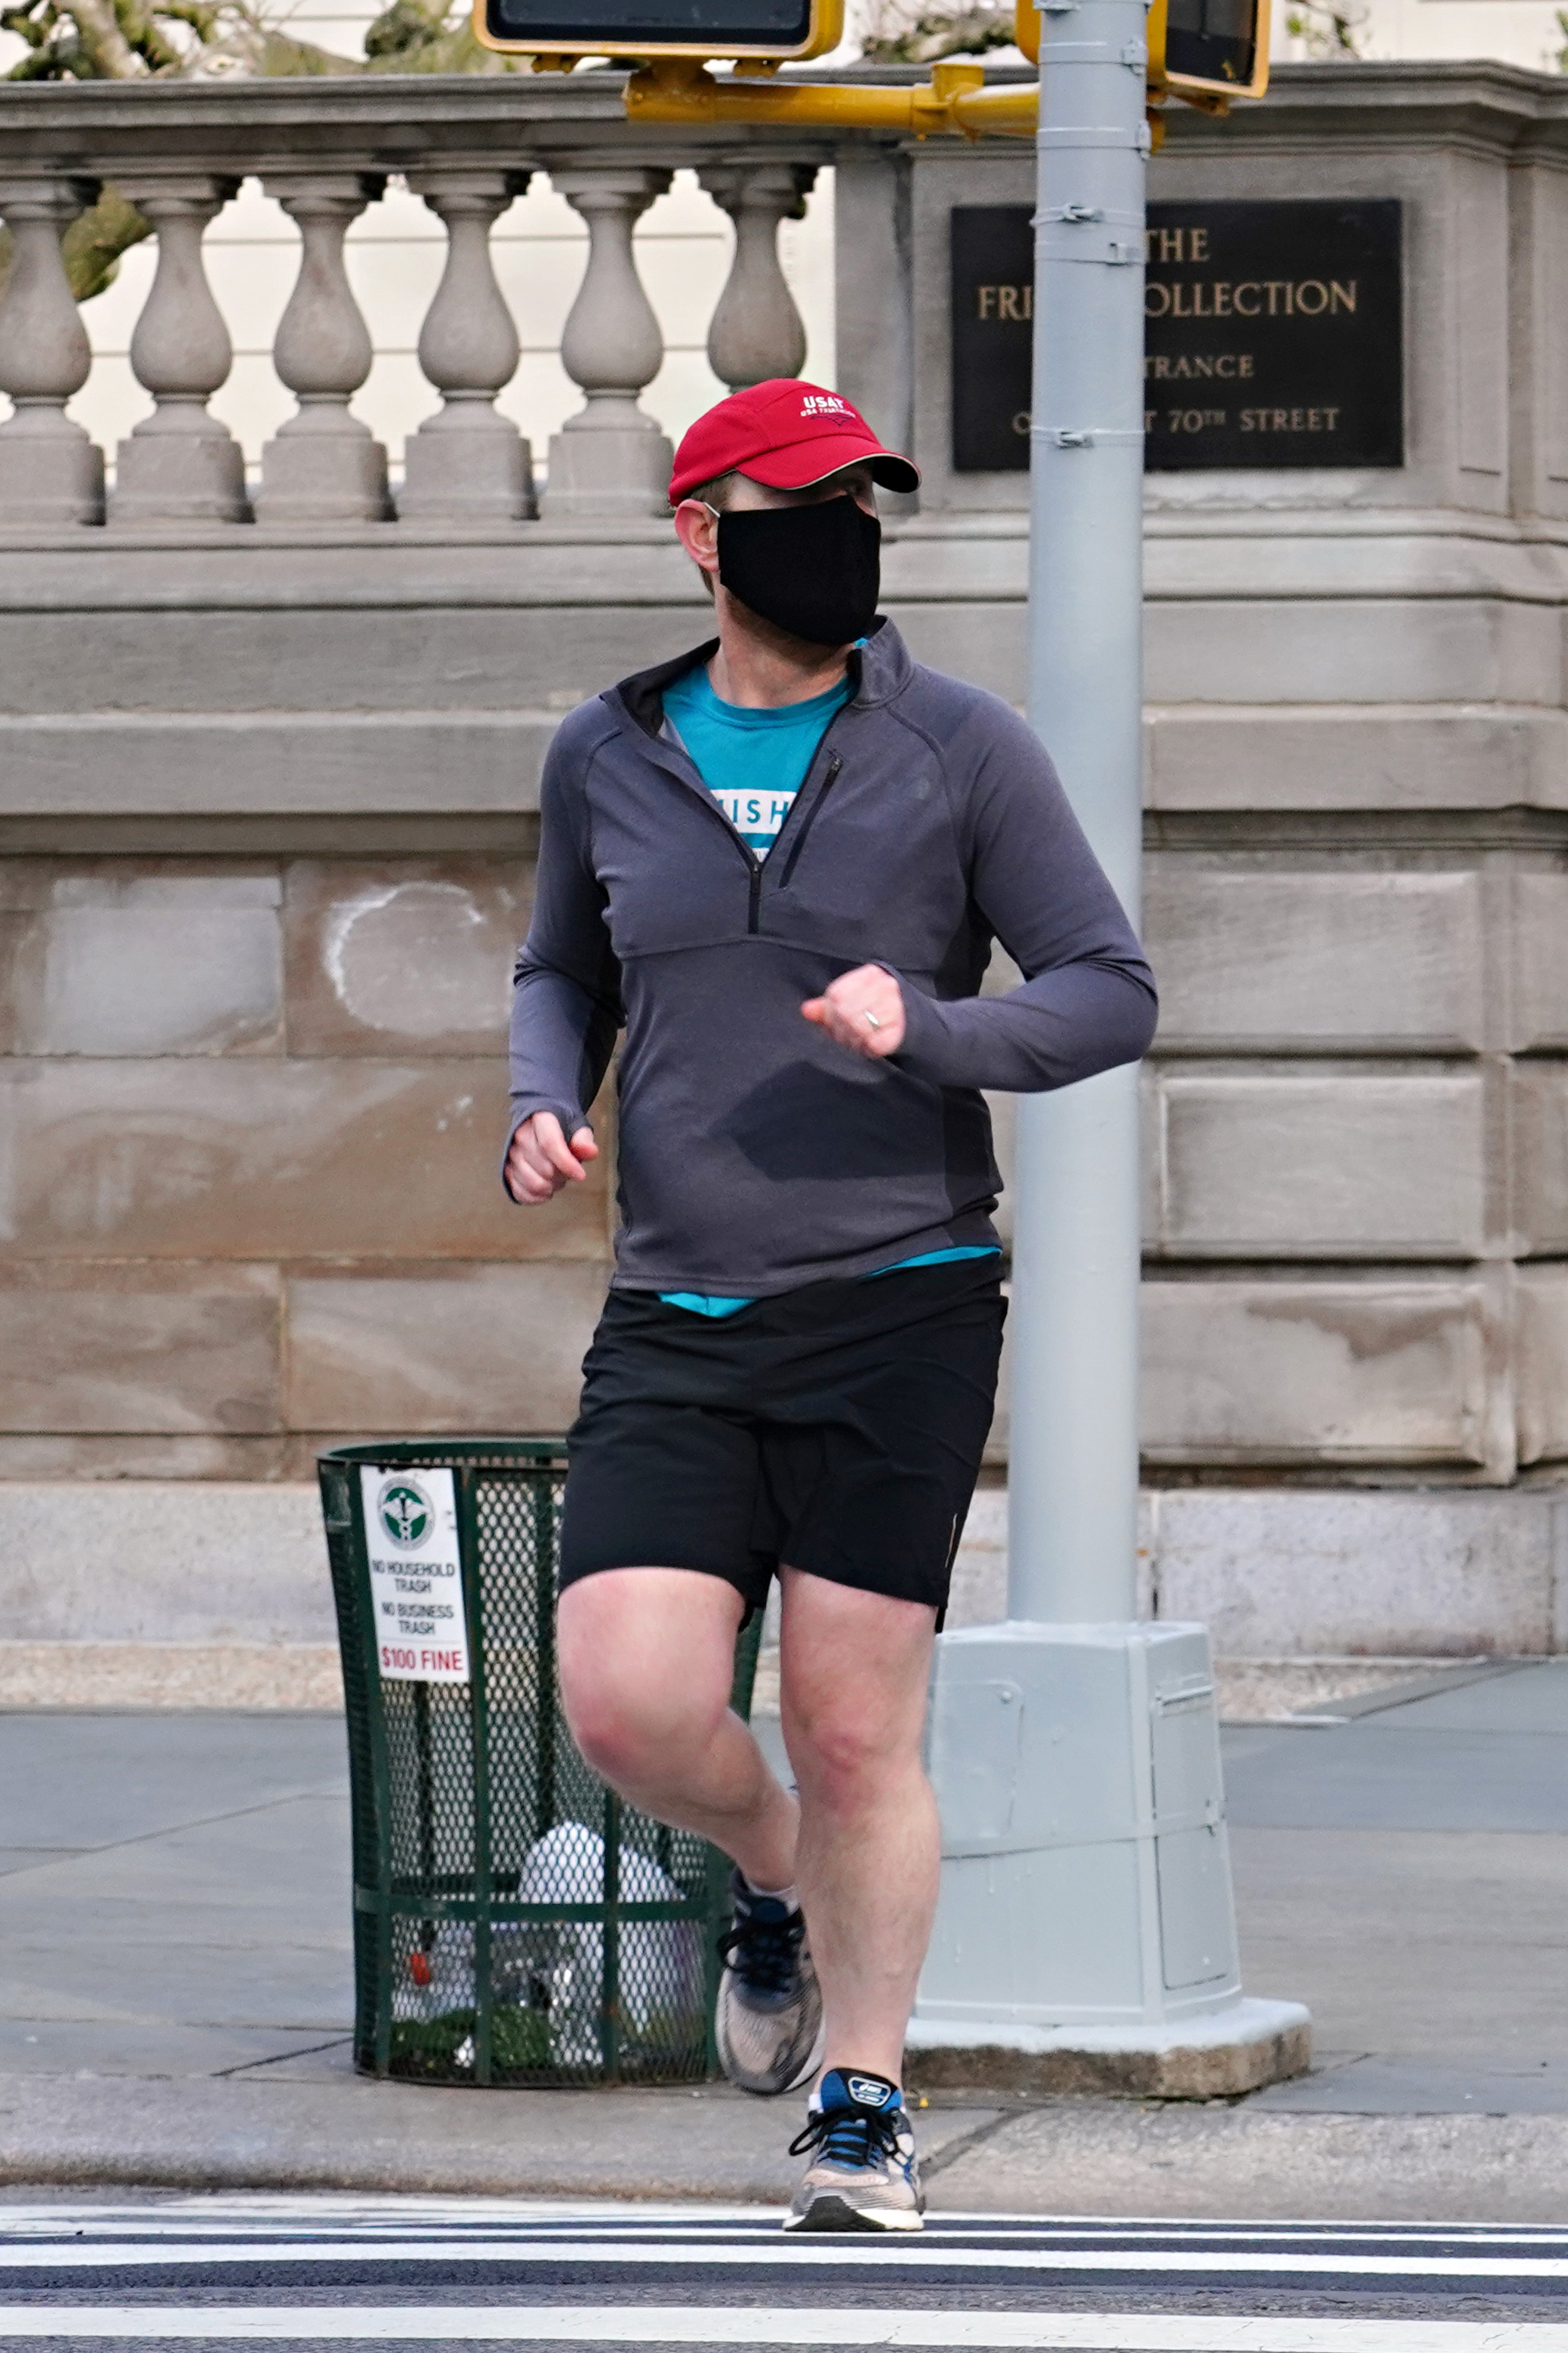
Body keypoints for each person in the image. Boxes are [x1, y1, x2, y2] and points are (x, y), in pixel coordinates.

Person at [503, 379, 1157, 2232]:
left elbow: (1107, 988)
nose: (842, 540)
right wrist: (539, 1103)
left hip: (903, 1298)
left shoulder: (956, 747)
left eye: (865, 507)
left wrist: (928, 1028)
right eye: (801, 507)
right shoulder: (606, 751)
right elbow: (561, 965)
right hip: (676, 1305)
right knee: (629, 1710)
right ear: (702, 532)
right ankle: (772, 1872)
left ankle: (862, 2097)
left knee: (858, 1721)